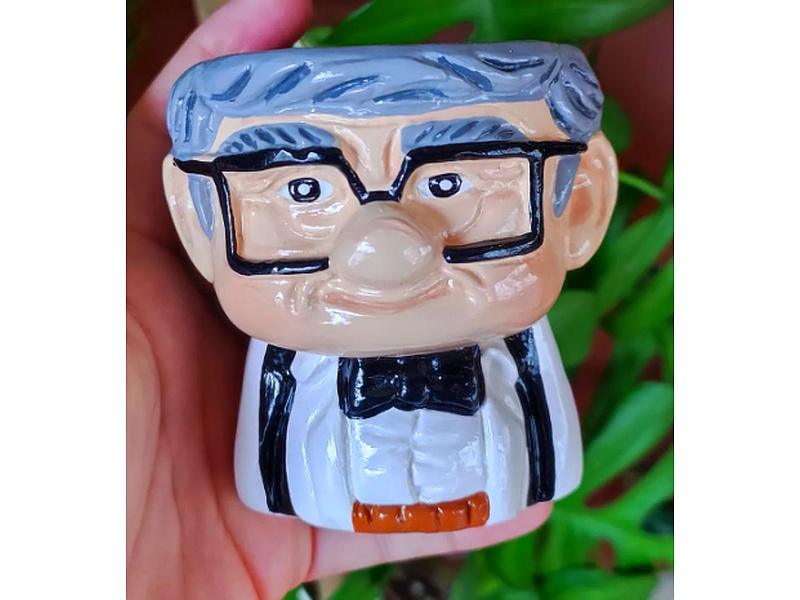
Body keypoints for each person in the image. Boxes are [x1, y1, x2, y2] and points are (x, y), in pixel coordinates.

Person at [127, 0, 614, 596]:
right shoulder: (285, 368)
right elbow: (272, 449)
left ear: (581, 203)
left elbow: (542, 431)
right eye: (304, 190)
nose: (381, 255)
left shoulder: (520, 350)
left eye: (449, 183)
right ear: (199, 222)